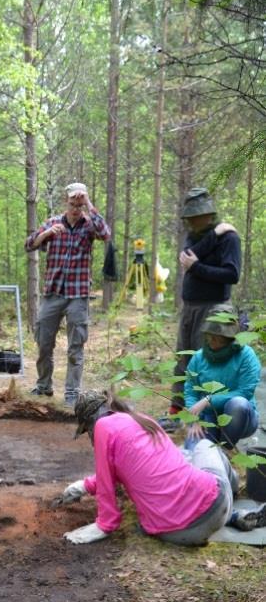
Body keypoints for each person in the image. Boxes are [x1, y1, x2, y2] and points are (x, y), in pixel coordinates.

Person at [62, 390, 236, 546]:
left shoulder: (103, 426)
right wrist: (85, 486)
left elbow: (107, 482)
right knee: (204, 447)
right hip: (215, 506)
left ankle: (233, 508)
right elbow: (114, 473)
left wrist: (103, 526)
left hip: (172, 533)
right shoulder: (142, 420)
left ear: (90, 419)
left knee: (200, 447)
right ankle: (234, 498)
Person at [161, 187, 241, 431]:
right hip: (191, 307)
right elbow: (188, 257)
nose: (192, 221)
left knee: (206, 362)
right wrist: (213, 236)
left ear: (208, 214)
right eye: (189, 217)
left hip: (215, 309)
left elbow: (232, 274)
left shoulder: (230, 239)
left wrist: (197, 267)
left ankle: (204, 418)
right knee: (183, 360)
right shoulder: (197, 236)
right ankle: (177, 413)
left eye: (196, 216)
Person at [25, 182, 110, 408]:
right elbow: (29, 244)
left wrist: (90, 203)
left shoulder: (89, 225)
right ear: (66, 202)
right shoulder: (53, 223)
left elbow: (105, 233)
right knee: (43, 341)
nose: (75, 208)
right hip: (53, 293)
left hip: (78, 295)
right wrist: (46, 234)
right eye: (72, 204)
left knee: (75, 347)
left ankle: (72, 393)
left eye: (79, 204)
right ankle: (44, 386)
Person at [184, 305, 260, 449]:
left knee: (238, 403)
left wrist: (208, 400)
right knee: (193, 450)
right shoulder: (199, 357)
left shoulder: (246, 355)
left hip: (240, 418)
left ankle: (226, 448)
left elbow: (245, 392)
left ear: (230, 337)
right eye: (210, 336)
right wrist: (194, 420)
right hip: (208, 417)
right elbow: (190, 390)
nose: (212, 341)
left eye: (218, 338)